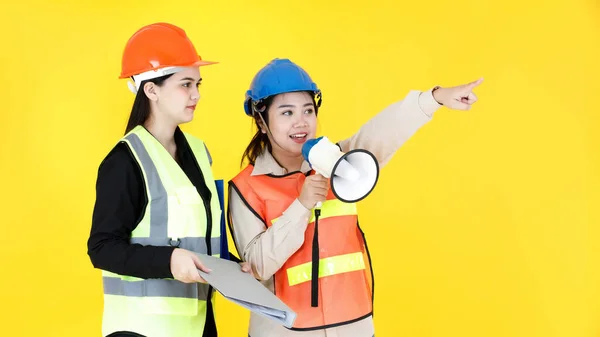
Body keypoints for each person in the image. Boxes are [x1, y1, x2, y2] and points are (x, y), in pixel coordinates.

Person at [227, 58, 483, 337]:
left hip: (354, 327)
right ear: (262, 122)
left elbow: (384, 132)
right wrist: (301, 206)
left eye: (308, 110)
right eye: (286, 113)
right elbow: (258, 267)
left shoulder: (341, 163)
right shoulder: (246, 188)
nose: (301, 122)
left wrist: (436, 98)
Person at [87, 22, 251, 337]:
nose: (196, 95)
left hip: (198, 323)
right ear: (151, 90)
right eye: (185, 84)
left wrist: (233, 266)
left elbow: (194, 236)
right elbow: (102, 247)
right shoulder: (125, 160)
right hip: (142, 329)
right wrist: (169, 260)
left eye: (198, 84)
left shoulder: (199, 152)